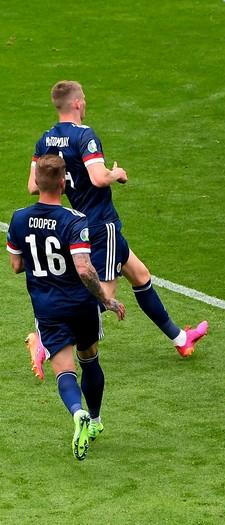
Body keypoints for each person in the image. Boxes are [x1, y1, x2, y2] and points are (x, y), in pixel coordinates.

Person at [26, 81, 207, 371]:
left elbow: (33, 186)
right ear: (75, 103)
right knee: (105, 297)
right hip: (99, 224)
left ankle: (181, 338)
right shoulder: (84, 136)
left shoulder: (45, 139)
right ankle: (45, 339)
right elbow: (98, 178)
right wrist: (116, 173)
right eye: (83, 99)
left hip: (80, 221)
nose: (85, 104)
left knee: (140, 274)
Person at [7, 155, 126, 459]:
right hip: (80, 305)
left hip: (47, 308)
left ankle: (77, 412)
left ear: (38, 183)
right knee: (90, 359)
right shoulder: (74, 220)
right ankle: (96, 420)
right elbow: (85, 269)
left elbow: (16, 265)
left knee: (64, 371)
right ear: (63, 183)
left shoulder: (18, 219)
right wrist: (106, 299)